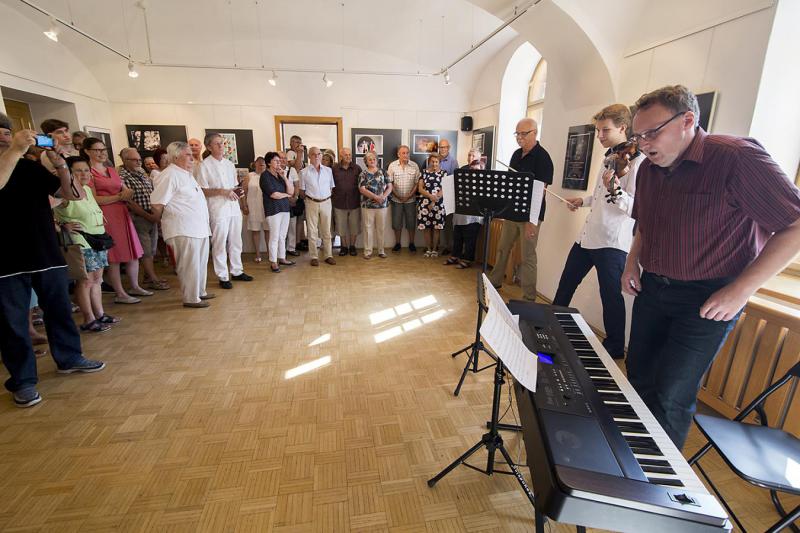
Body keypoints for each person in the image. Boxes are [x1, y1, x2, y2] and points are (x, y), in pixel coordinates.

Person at [621, 85, 800, 449]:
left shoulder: (736, 158)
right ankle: (632, 457)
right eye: (638, 137)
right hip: (653, 288)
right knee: (638, 377)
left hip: (708, 298)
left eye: (652, 133)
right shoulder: (649, 170)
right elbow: (645, 223)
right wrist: (631, 263)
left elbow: (794, 226)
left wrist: (741, 290)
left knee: (671, 394)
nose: (643, 144)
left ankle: (658, 477)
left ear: (687, 120)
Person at [0, 114, 105, 407]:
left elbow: (70, 194)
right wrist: (15, 150)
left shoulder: (28, 166)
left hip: (45, 250)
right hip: (6, 258)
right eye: (0, 133)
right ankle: (23, 380)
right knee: (12, 323)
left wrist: (60, 165)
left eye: (7, 132)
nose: (6, 136)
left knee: (59, 311)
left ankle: (69, 357)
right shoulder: (13, 159)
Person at [553, 104, 642, 360]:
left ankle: (615, 346)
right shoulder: (609, 158)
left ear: (623, 128)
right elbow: (601, 197)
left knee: (610, 297)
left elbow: (635, 207)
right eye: (598, 130)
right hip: (587, 236)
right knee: (566, 284)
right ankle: (550, 326)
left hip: (611, 241)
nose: (600, 136)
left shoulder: (638, 162)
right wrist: (584, 200)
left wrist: (615, 188)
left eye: (605, 130)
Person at [487, 118, 554, 300]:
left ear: (535, 133)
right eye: (517, 134)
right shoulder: (516, 155)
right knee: (502, 249)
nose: (519, 137)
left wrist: (532, 221)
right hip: (512, 212)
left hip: (530, 216)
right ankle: (494, 282)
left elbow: (540, 192)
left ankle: (529, 298)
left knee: (527, 257)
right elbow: (510, 185)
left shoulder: (543, 158)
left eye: (524, 134)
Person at [54, 156, 121, 332]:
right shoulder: (64, 193)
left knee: (97, 279)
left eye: (86, 170)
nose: (84, 174)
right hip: (80, 241)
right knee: (85, 281)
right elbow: (44, 210)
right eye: (78, 171)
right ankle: (88, 318)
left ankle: (99, 314)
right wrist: (61, 226)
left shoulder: (87, 190)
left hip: (98, 239)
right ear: (68, 173)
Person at [83, 137, 150, 304]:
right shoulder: (89, 172)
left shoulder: (111, 170)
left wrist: (124, 194)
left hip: (122, 212)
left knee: (133, 252)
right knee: (114, 256)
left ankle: (134, 286)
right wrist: (118, 196)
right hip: (107, 215)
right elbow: (94, 198)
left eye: (103, 149)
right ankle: (120, 292)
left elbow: (126, 190)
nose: (101, 153)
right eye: (97, 150)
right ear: (87, 152)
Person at [150, 142, 215, 308]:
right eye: (188, 154)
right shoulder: (169, 175)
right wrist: (161, 222)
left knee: (200, 263)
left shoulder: (186, 174)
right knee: (189, 265)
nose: (192, 158)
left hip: (198, 228)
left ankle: (200, 292)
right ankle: (191, 298)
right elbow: (157, 204)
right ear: (175, 157)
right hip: (182, 228)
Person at [196, 132, 253, 289]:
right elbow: (202, 190)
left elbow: (234, 186)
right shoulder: (204, 166)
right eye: (217, 143)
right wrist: (222, 191)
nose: (221, 146)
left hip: (233, 207)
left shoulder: (229, 164)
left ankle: (237, 270)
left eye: (222, 143)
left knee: (236, 240)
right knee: (219, 242)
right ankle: (222, 275)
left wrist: (239, 192)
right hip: (217, 208)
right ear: (209, 147)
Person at [118, 147, 170, 291]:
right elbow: (129, 202)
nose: (138, 162)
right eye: (134, 160)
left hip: (151, 214)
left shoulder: (141, 172)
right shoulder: (122, 177)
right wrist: (149, 216)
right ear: (124, 160)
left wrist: (156, 215)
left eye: (139, 160)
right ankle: (153, 279)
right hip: (139, 217)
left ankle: (148, 276)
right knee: (145, 250)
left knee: (152, 248)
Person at [445, 152, 484, 268]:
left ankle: (467, 258)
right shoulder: (462, 171)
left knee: (470, 237)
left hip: (474, 215)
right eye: (469, 155)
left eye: (473, 155)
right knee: (457, 235)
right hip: (460, 212)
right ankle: (455, 255)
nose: (471, 157)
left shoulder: (482, 177)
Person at [300, 146, 336, 266]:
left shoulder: (328, 171)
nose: (316, 156)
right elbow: (302, 191)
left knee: (326, 230)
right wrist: (311, 199)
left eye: (319, 154)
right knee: (312, 231)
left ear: (321, 156)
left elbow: (331, 188)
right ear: (309, 156)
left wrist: (324, 198)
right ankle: (314, 256)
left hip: (326, 202)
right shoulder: (304, 172)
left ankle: (328, 255)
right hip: (311, 202)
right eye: (313, 154)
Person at [261, 152, 296, 273]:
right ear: (269, 163)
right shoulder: (265, 176)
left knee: (282, 236)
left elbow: (291, 191)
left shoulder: (280, 176)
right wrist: (286, 195)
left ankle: (282, 258)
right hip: (273, 210)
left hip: (284, 208)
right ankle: (273, 262)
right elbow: (273, 194)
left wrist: (284, 177)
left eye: (279, 161)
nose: (279, 163)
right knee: (274, 236)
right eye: (276, 161)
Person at [359, 151, 393, 259]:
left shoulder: (383, 172)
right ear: (366, 161)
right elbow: (362, 189)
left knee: (381, 228)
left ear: (377, 160)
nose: (372, 161)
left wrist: (383, 197)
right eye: (369, 159)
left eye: (374, 159)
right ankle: (368, 251)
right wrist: (375, 197)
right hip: (368, 205)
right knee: (368, 228)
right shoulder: (363, 174)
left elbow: (390, 187)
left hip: (382, 205)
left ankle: (381, 251)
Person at [387, 145, 421, 253]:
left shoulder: (414, 166)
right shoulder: (392, 166)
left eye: (407, 153)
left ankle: (411, 243)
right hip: (396, 200)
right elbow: (390, 183)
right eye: (403, 153)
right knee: (396, 224)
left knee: (411, 223)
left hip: (411, 200)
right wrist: (398, 195)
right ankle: (397, 243)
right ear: (398, 154)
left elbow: (417, 183)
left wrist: (409, 196)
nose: (406, 155)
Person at [332, 147, 361, 256]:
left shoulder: (357, 168)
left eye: (349, 155)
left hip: (354, 202)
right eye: (346, 155)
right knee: (341, 226)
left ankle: (352, 246)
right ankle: (344, 246)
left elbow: (362, 184)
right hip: (339, 202)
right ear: (341, 156)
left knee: (354, 226)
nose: (348, 157)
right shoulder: (334, 169)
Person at [417, 153, 446, 257]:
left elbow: (443, 189)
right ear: (429, 161)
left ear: (439, 162)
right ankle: (428, 249)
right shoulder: (424, 172)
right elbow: (420, 189)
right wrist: (430, 197)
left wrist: (433, 201)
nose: (434, 164)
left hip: (438, 204)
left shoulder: (444, 173)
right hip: (424, 204)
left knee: (437, 228)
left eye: (436, 162)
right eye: (432, 161)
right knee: (426, 228)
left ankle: (434, 250)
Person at [244, 157, 268, 262]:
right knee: (255, 230)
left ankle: (270, 253)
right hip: (253, 207)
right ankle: (258, 254)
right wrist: (244, 205)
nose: (261, 164)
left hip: (267, 207)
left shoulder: (268, 175)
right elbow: (244, 191)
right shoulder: (249, 176)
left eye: (263, 163)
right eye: (259, 162)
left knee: (268, 230)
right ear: (255, 164)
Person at [278, 151, 302, 257]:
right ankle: (280, 250)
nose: (283, 160)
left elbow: (297, 185)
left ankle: (291, 248)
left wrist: (295, 197)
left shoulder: (292, 170)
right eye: (280, 158)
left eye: (284, 158)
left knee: (292, 225)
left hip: (291, 202)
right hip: (278, 203)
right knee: (280, 228)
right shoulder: (273, 170)